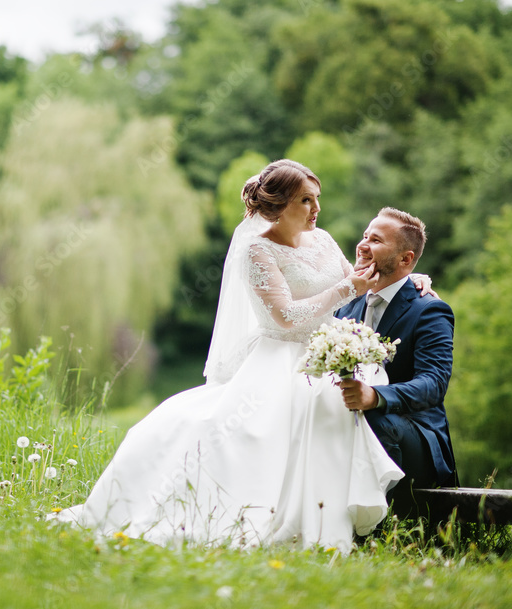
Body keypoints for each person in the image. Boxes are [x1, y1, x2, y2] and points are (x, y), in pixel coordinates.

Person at [51, 160, 432, 551]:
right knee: (251, 432)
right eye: (305, 200)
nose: (316, 208)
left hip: (323, 357)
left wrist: (409, 278)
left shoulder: (323, 240)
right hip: (280, 358)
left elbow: (360, 275)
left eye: (317, 198)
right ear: (278, 204)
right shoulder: (256, 251)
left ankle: (330, 519)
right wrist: (343, 290)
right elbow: (284, 316)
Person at [335, 208, 458, 517]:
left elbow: (434, 384)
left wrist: (376, 397)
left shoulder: (429, 310)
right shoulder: (345, 306)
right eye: (365, 236)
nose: (363, 245)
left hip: (415, 435)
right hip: (348, 420)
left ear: (406, 259)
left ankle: (379, 526)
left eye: (375, 240)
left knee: (372, 419)